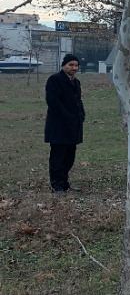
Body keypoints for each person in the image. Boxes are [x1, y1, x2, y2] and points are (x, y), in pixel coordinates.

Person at [44, 54, 86, 193]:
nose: (74, 68)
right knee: (58, 156)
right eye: (71, 65)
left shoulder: (76, 82)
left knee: (69, 156)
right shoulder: (54, 80)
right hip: (59, 125)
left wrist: (81, 115)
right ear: (64, 65)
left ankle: (64, 183)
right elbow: (53, 102)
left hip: (73, 125)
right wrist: (67, 117)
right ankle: (56, 185)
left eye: (76, 65)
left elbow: (78, 101)